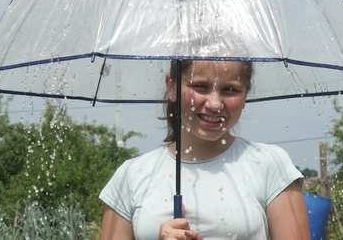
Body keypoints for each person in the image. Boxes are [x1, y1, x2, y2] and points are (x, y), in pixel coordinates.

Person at [99, 60, 310, 240]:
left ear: (246, 94)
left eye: (230, 90)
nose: (215, 103)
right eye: (200, 86)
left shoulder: (270, 165)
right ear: (171, 87)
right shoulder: (131, 176)